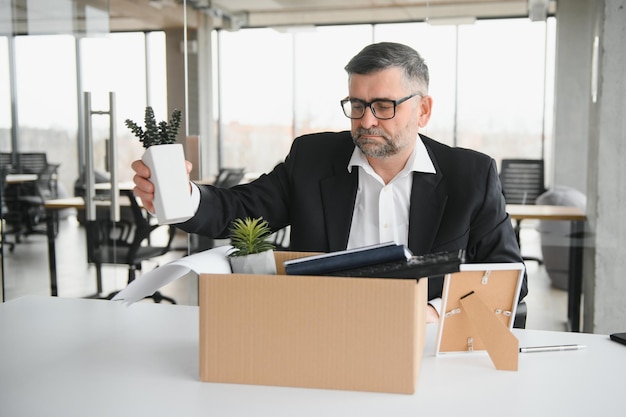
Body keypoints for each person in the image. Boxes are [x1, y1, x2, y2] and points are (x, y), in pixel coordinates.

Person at [132, 42, 527, 322]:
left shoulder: (470, 176)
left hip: (423, 347)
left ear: (422, 110)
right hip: (321, 331)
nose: (367, 120)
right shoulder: (312, 158)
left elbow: (509, 276)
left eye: (384, 106)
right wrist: (181, 198)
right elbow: (241, 210)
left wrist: (433, 312)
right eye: (357, 105)